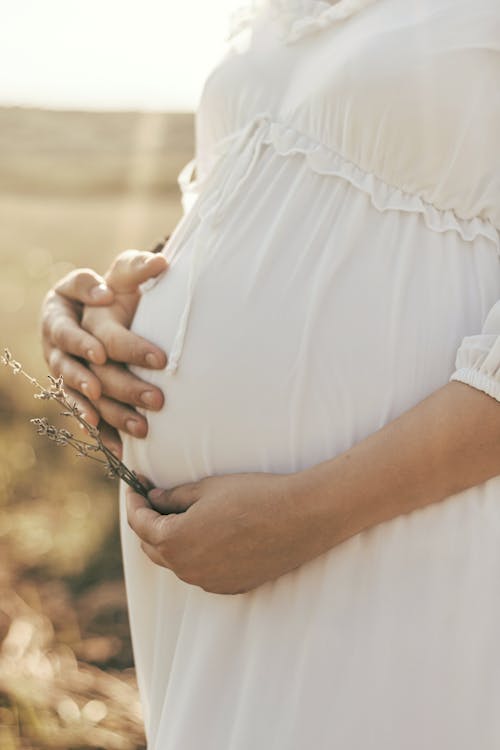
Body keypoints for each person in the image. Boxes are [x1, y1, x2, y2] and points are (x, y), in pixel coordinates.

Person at [41, 0, 500, 747]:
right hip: (208, 557)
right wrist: (99, 310)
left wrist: (315, 511)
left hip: (399, 521)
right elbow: (263, 208)